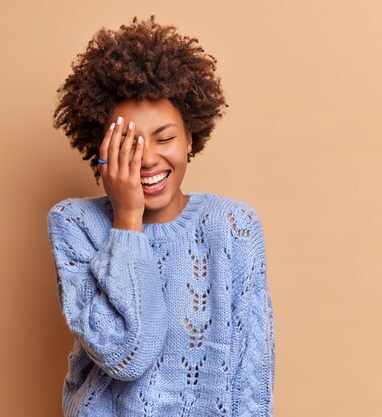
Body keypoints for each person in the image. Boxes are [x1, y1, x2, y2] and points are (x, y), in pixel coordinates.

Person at [47, 15, 275, 417]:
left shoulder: (233, 227)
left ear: (190, 139)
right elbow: (125, 354)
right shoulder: (74, 224)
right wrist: (127, 217)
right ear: (101, 149)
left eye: (165, 138)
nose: (148, 158)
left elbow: (251, 378)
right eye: (127, 144)